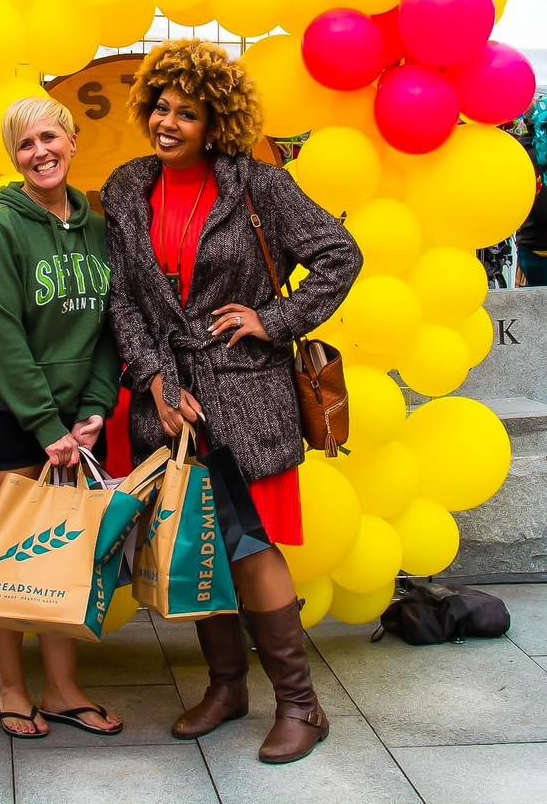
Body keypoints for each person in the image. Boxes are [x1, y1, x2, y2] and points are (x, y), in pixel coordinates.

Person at [102, 40, 362, 765]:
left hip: (245, 394)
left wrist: (271, 321)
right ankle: (226, 688)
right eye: (160, 106)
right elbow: (123, 297)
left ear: (216, 121)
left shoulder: (256, 184)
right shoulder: (128, 187)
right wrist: (154, 374)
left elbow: (340, 254)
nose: (167, 122)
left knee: (249, 545)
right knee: (195, 543)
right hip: (172, 396)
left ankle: (302, 707)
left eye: (187, 113)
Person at [0, 97, 123, 740]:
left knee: (62, 559)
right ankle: (12, 688)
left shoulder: (100, 229)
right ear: (13, 158)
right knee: (9, 557)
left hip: (72, 421)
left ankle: (63, 688)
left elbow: (111, 327)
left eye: (50, 137)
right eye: (24, 145)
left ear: (73, 141)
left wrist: (95, 409)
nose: (40, 152)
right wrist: (46, 425)